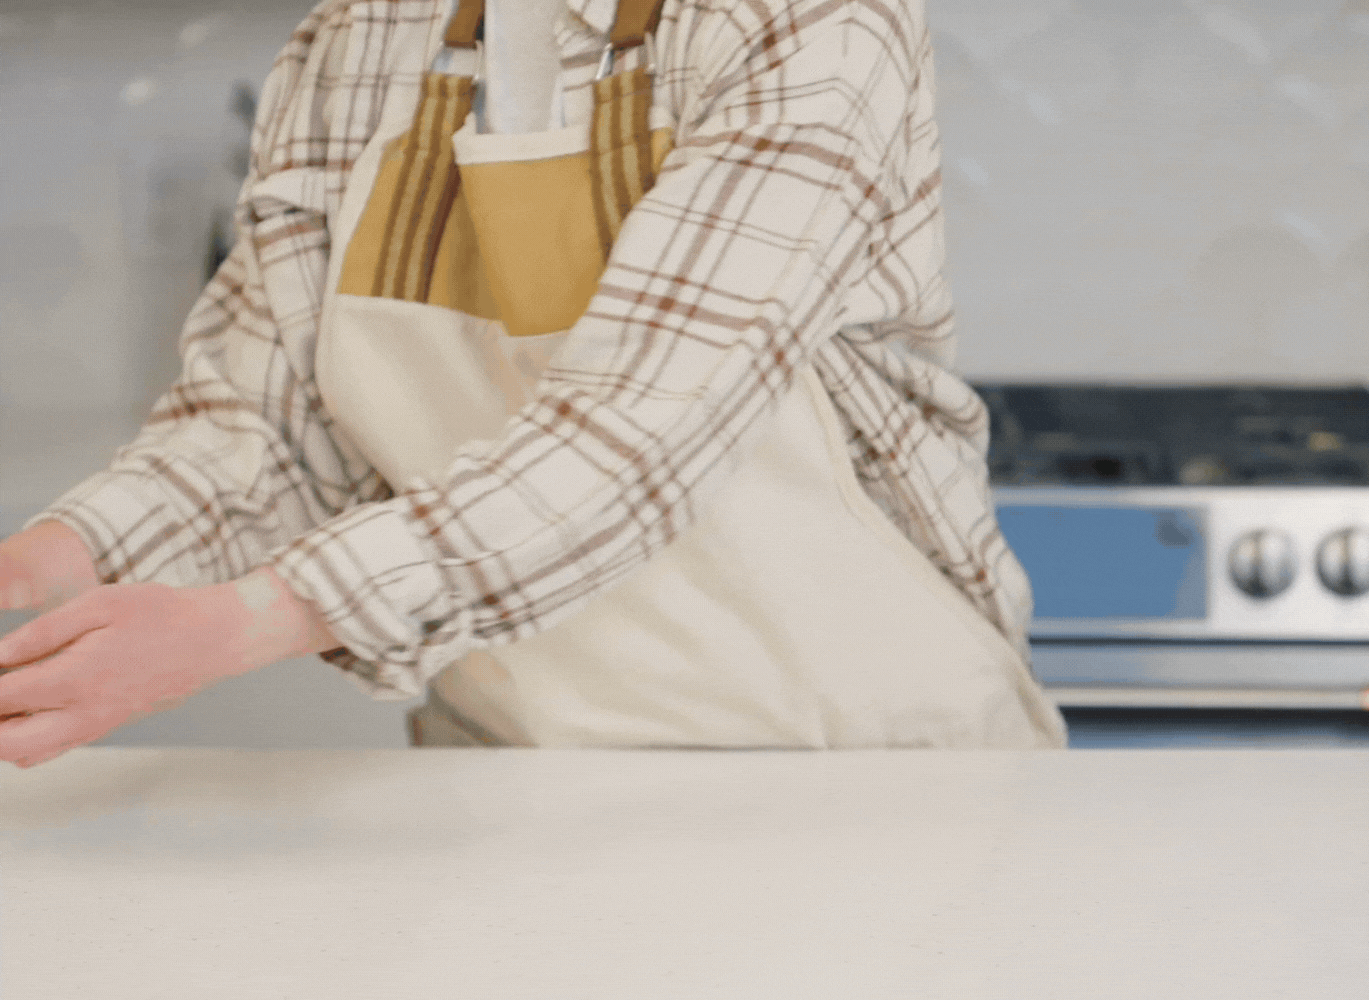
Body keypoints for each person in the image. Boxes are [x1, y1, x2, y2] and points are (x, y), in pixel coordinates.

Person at [0, 0, 1066, 768]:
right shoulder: (356, 39)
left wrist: (244, 621)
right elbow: (271, 431)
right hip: (516, 771)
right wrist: (47, 563)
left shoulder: (809, 23)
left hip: (857, 774)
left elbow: (633, 437)